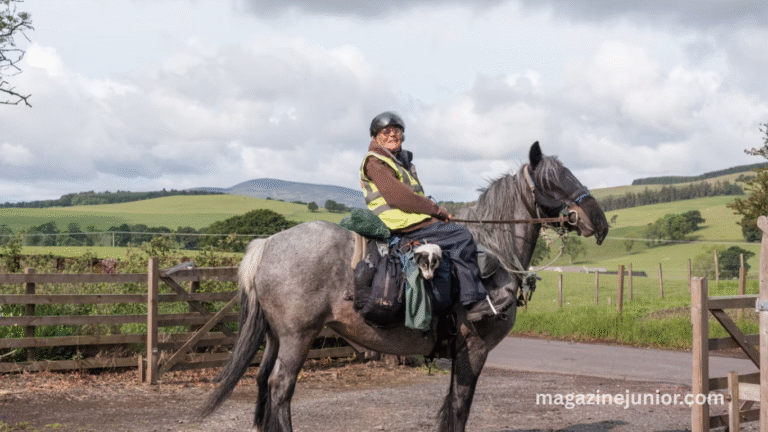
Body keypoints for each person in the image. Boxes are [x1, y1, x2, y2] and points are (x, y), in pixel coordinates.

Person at [359, 111, 507, 322]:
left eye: (397, 131)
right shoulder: (375, 161)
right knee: (461, 236)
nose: (393, 135)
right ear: (375, 138)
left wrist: (436, 216)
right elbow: (399, 197)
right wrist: (436, 211)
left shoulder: (397, 162)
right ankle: (475, 302)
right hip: (401, 223)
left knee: (453, 235)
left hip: (411, 220)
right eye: (386, 131)